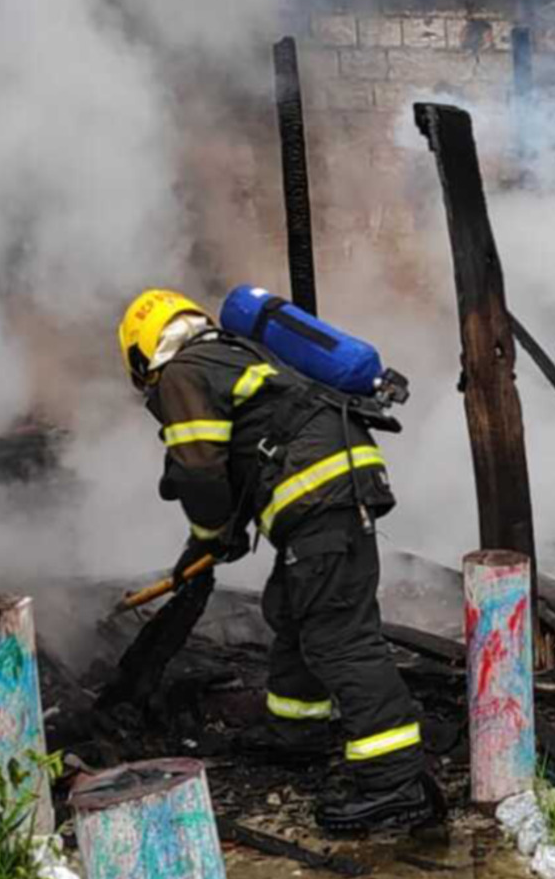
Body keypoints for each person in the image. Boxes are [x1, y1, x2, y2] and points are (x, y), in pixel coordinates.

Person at [115, 288, 441, 836]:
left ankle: (396, 784)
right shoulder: (236, 353)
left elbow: (200, 473)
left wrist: (210, 537)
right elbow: (243, 458)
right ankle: (297, 734)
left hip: (318, 498)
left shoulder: (182, 374)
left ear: (143, 356)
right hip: (332, 488)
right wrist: (217, 538)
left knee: (340, 636)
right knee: (293, 610)